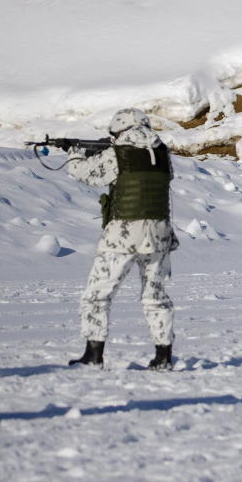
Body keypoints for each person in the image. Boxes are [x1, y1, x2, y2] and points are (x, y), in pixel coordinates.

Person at [66, 108, 179, 370]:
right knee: (156, 296)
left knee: (97, 294)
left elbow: (85, 174)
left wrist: (74, 153)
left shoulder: (118, 153)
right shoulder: (162, 153)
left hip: (123, 236)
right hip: (160, 234)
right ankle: (163, 357)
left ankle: (93, 355)